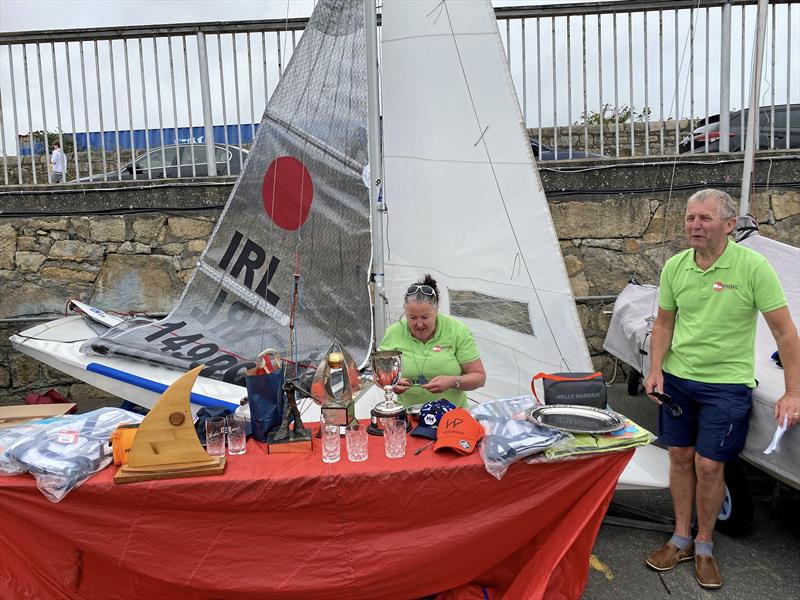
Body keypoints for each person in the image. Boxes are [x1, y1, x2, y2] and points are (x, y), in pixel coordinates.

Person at [643, 189, 799, 590]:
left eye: (705, 218)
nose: (695, 225)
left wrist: (793, 391)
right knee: (679, 456)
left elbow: (784, 332)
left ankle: (705, 544)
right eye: (690, 218)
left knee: (710, 466)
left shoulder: (752, 267)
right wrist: (655, 369)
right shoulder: (676, 266)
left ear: (729, 225)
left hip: (726, 386)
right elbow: (663, 324)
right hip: (677, 380)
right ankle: (680, 537)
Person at [379, 274, 486, 408]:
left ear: (436, 311)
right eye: (412, 318)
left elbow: (479, 378)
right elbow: (382, 374)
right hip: (408, 416)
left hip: (452, 417)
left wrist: (453, 381)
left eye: (425, 317)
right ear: (405, 313)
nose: (419, 324)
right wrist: (393, 384)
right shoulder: (393, 333)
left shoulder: (457, 331)